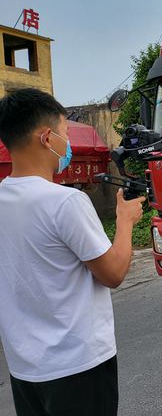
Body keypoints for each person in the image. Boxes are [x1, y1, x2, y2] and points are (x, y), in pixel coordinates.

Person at [0, 88, 145, 416]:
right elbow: (113, 273)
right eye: (66, 133)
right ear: (46, 137)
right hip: (78, 365)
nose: (69, 143)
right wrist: (125, 221)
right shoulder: (65, 202)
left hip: (25, 369)